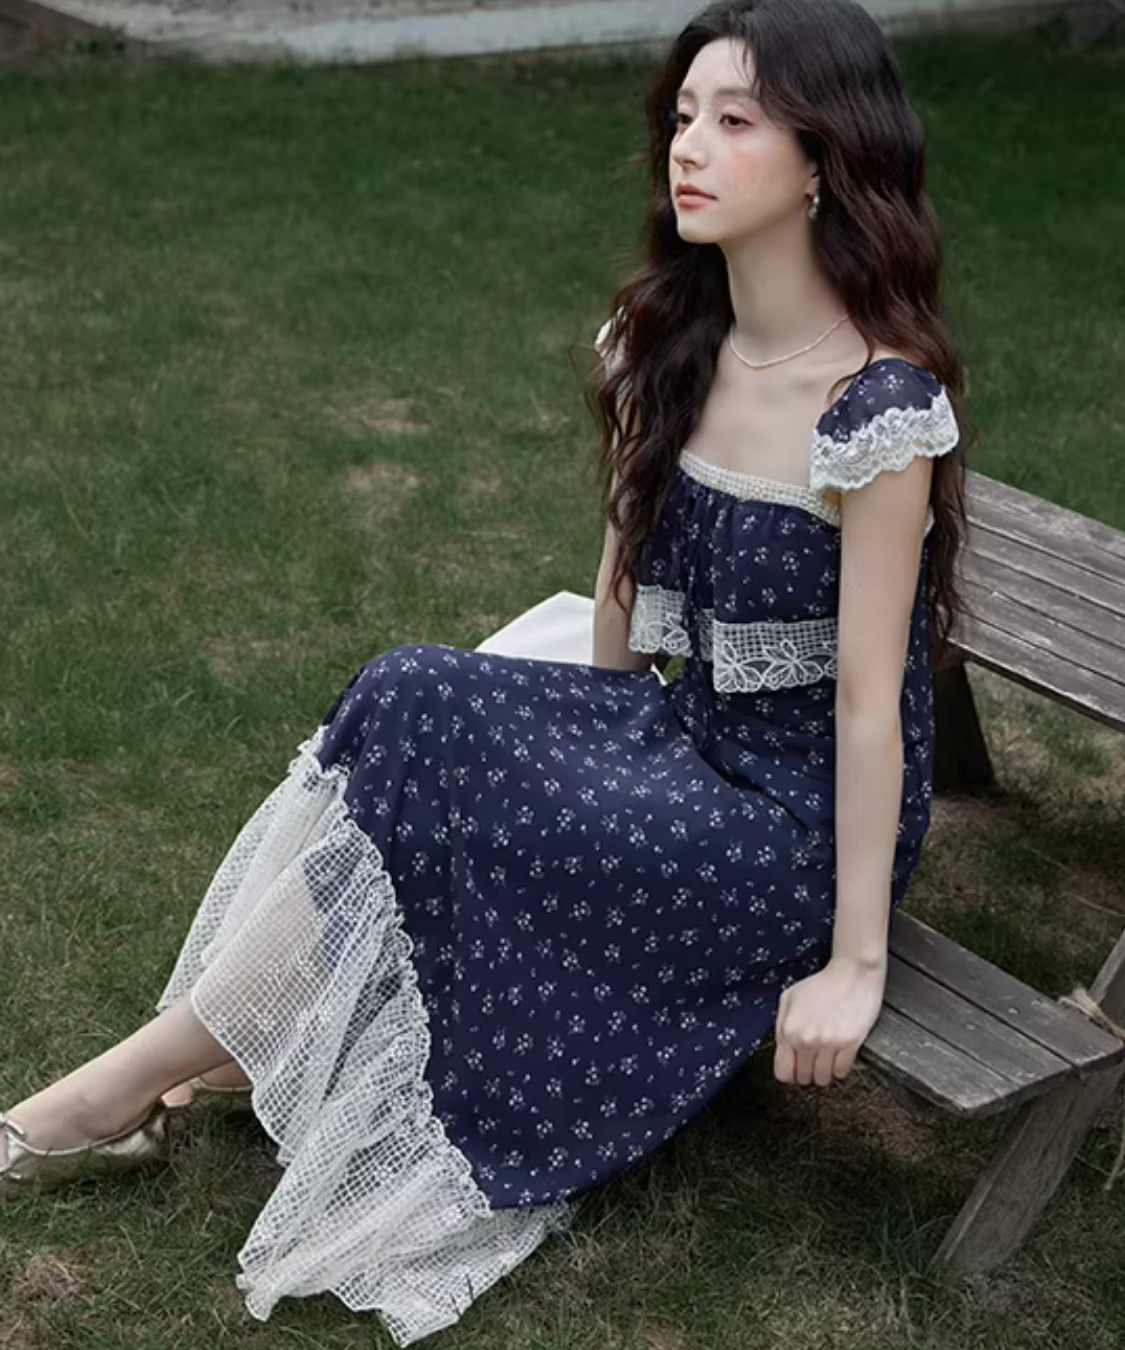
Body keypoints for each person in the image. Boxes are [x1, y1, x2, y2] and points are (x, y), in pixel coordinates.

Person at [0, 0, 971, 1343]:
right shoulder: (673, 339)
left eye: (737, 120)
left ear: (823, 160)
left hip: (791, 825)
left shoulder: (878, 408)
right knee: (415, 693)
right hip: (681, 729)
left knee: (480, 774)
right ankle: (204, 1047)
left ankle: (121, 1089)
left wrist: (856, 959)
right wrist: (597, 734)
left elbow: (871, 702)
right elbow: (623, 594)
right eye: (684, 115)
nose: (689, 146)